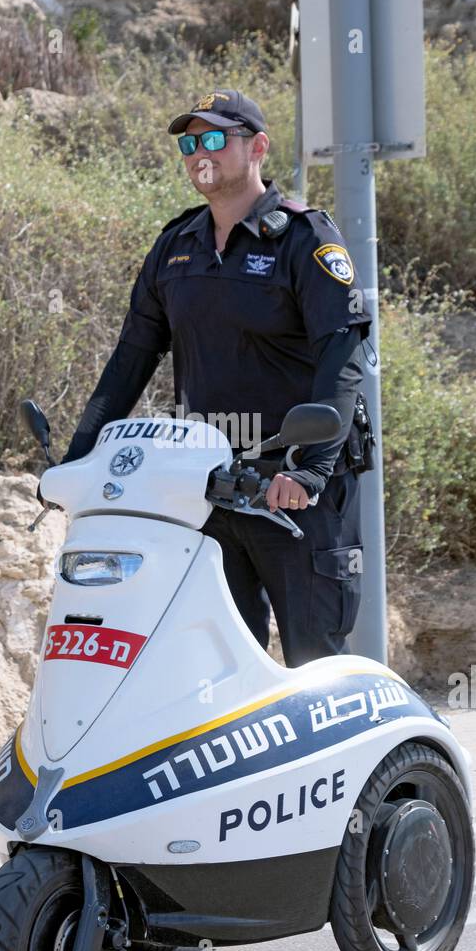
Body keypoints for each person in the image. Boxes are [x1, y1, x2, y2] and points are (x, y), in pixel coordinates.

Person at [54, 88, 373, 668]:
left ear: (257, 148)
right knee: (217, 663)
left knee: (315, 659)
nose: (200, 152)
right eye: (190, 142)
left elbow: (343, 356)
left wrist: (312, 468)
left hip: (293, 491)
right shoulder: (176, 246)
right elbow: (131, 359)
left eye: (215, 139)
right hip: (209, 484)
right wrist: (77, 458)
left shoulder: (306, 239)